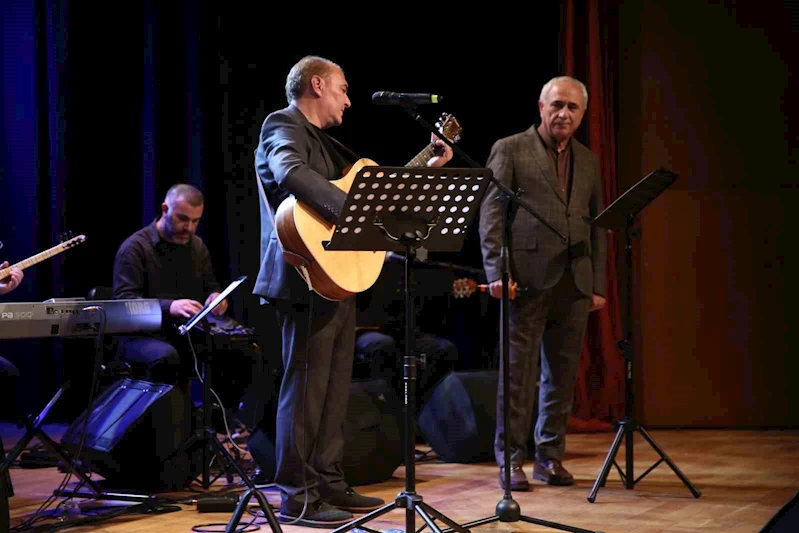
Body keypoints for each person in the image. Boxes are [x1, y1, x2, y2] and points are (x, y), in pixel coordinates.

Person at [253, 55, 452, 527]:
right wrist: (352, 214)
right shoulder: (283, 124)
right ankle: (298, 497)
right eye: (343, 89)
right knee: (306, 389)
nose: (348, 100)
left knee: (333, 388)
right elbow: (290, 173)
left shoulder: (327, 142)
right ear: (317, 85)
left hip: (334, 276)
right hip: (301, 275)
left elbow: (372, 198)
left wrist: (426, 167)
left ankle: (328, 481)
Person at [478, 76, 606, 491]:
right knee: (517, 376)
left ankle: (549, 456)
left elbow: (597, 224)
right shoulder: (511, 148)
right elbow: (491, 215)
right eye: (556, 105)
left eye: (572, 107)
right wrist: (497, 272)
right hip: (526, 279)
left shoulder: (588, 160)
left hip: (575, 281)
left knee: (562, 376)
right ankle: (510, 460)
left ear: (582, 114)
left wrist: (598, 283)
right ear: (541, 107)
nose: (563, 113)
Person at [112, 184, 227, 386]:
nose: (189, 228)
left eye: (195, 221)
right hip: (140, 335)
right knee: (166, 357)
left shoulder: (197, 247)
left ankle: (218, 407)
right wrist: (169, 306)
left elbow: (210, 285)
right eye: (182, 219)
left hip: (182, 332)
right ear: (165, 210)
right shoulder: (135, 248)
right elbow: (125, 303)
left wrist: (215, 296)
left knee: (241, 350)